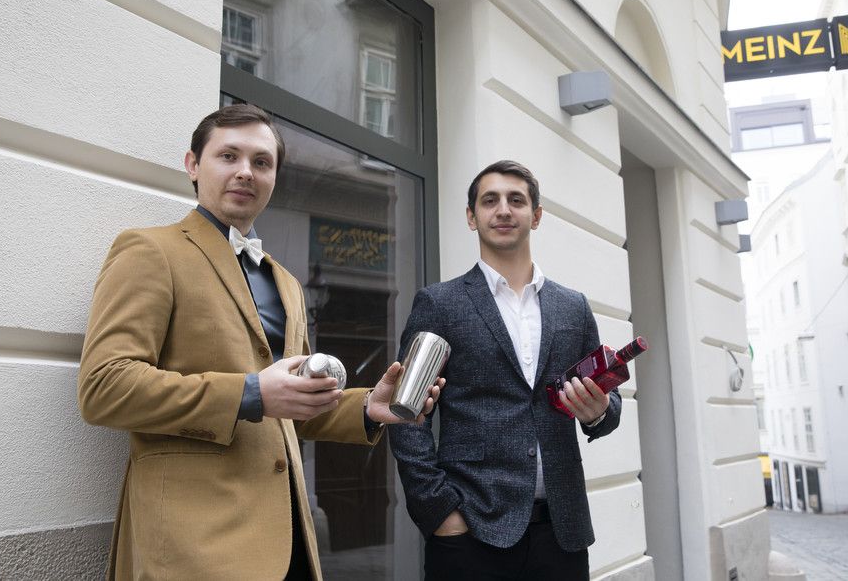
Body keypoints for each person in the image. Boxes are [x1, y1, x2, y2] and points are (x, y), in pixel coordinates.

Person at [78, 104, 441, 580]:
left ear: (274, 178)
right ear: (193, 165)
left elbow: (289, 408)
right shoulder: (150, 250)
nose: (246, 171)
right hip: (192, 548)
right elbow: (104, 387)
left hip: (288, 540)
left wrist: (369, 406)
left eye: (262, 162)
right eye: (229, 156)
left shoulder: (286, 282)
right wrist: (251, 393)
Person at [389, 160, 622, 581]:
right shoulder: (439, 304)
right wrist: (439, 511)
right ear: (471, 217)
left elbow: (609, 405)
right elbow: (404, 413)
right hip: (470, 531)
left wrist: (599, 411)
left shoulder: (573, 307)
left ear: (536, 215)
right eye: (489, 200)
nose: (503, 210)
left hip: (563, 532)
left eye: (516, 200)